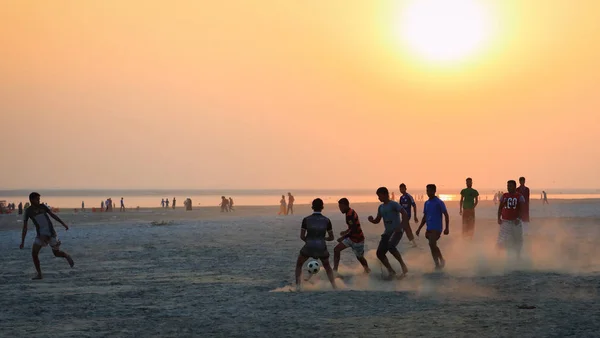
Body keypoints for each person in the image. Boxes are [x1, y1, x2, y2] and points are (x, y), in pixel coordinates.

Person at [20, 192, 74, 280]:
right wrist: (22, 241)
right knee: (34, 254)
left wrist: (63, 224)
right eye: (37, 199)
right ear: (31, 200)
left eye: (39, 199)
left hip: (51, 233)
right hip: (41, 235)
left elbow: (53, 215)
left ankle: (67, 256)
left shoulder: (43, 207)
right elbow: (25, 227)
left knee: (56, 253)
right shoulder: (28, 211)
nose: (39, 201)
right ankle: (39, 274)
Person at [295, 198, 337, 291]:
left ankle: (298, 286)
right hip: (321, 247)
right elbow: (332, 237)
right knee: (328, 267)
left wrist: (309, 241)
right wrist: (323, 239)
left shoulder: (306, 219)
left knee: (299, 264)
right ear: (322, 207)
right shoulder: (327, 220)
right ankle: (334, 286)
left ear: (312, 207)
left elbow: (302, 236)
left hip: (309, 246)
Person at [368, 187, 409, 279]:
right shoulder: (381, 207)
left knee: (391, 246)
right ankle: (391, 271)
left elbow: (404, 213)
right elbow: (377, 220)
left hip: (397, 231)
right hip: (387, 232)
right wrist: (372, 220)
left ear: (386, 194)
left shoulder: (394, 204)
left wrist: (401, 226)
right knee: (379, 253)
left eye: (380, 196)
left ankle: (403, 266)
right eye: (378, 196)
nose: (379, 198)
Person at [416, 184, 449, 270]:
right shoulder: (426, 203)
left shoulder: (439, 202)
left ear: (434, 191)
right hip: (429, 227)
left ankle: (441, 260)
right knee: (432, 246)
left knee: (432, 243)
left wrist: (447, 228)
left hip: (437, 228)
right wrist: (419, 228)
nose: (428, 192)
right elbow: (425, 217)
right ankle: (437, 263)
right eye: (427, 190)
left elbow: (446, 214)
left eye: (430, 190)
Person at [333, 198, 370, 274]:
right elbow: (352, 226)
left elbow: (354, 229)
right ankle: (335, 270)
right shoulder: (350, 212)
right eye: (339, 207)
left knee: (359, 257)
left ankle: (367, 270)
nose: (340, 209)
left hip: (358, 239)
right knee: (336, 249)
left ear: (345, 205)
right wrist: (346, 231)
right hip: (351, 238)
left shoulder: (349, 214)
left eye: (341, 207)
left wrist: (343, 237)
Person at [497, 180, 526, 257]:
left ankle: (518, 256)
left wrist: (519, 218)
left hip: (516, 222)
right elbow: (500, 208)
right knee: (501, 240)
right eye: (507, 186)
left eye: (510, 186)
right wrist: (498, 218)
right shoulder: (504, 196)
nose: (508, 187)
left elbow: (523, 209)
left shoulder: (519, 196)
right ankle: (498, 256)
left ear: (514, 186)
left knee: (518, 239)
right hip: (505, 222)